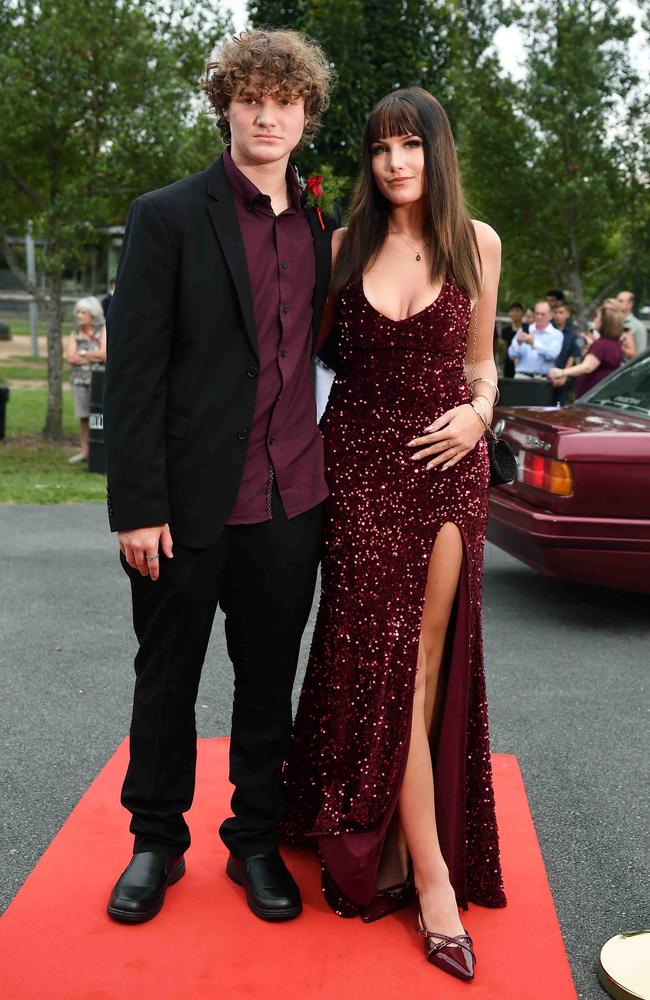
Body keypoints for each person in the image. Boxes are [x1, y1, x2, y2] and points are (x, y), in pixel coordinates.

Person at [103, 29, 337, 926]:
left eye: (284, 100)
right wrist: (136, 507)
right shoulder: (166, 214)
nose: (266, 114)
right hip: (183, 507)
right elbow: (134, 374)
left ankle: (254, 843)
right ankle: (155, 842)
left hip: (291, 503)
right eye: (250, 97)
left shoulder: (320, 226)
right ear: (226, 106)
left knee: (266, 681)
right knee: (165, 679)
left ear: (305, 115)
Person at [283, 87, 506, 982]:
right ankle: (434, 882)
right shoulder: (342, 246)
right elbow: (306, 357)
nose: (394, 163)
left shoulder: (477, 244)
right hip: (363, 471)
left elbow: (482, 361)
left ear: (435, 152)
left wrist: (479, 415)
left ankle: (404, 837)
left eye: (410, 145)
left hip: (451, 470)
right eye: (380, 148)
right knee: (375, 657)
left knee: (423, 663)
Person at [549, 304, 625, 396]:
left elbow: (587, 367)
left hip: (593, 395)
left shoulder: (601, 344)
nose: (595, 320)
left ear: (604, 322)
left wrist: (562, 372)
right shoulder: (616, 343)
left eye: (598, 317)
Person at [65, 296, 106, 463]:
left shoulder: (102, 331)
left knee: (101, 417)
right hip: (79, 381)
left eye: (83, 312)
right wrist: (91, 356)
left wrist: (82, 354)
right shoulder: (74, 333)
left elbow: (104, 353)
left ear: (93, 314)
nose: (79, 315)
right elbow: (71, 358)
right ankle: (85, 452)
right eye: (78, 312)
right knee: (84, 417)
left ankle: (101, 451)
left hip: (99, 381)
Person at [507, 299, 563, 377]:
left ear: (550, 315)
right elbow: (511, 354)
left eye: (542, 314)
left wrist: (534, 343)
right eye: (537, 313)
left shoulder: (556, 334)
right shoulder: (524, 330)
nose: (539, 317)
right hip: (521, 377)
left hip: (542, 379)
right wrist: (518, 343)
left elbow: (552, 355)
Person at [550, 301, 581, 405]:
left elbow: (572, 356)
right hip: (546, 376)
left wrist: (564, 376)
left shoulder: (571, 334)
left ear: (567, 314)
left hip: (561, 376)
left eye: (561, 312)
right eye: (555, 312)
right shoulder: (548, 330)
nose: (558, 315)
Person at [500, 301, 526, 378]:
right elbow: (503, 347)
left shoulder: (526, 328)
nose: (515, 313)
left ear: (522, 313)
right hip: (509, 362)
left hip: (522, 361)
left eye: (517, 311)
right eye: (512, 311)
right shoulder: (505, 330)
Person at [616, 290, 647, 356]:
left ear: (630, 304)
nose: (616, 303)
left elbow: (640, 355)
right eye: (616, 300)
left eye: (620, 301)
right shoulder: (613, 322)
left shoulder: (638, 326)